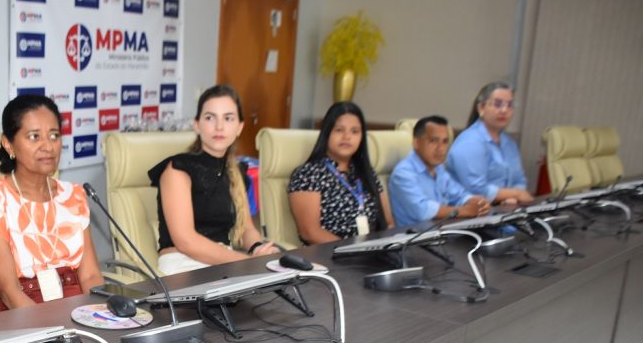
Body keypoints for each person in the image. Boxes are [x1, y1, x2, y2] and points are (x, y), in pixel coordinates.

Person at [0, 94, 104, 312]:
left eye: (54, 135)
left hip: (77, 309)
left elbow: (90, 276)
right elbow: (10, 293)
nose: (48, 146)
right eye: (34, 137)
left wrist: (100, 318)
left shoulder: (74, 195)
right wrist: (57, 330)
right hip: (22, 315)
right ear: (8, 144)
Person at [147, 84, 277, 274]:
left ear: (239, 127)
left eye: (228, 118)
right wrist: (246, 262)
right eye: (210, 117)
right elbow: (186, 242)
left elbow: (246, 228)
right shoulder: (177, 169)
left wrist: (258, 248)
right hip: (183, 265)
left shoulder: (236, 172)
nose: (219, 126)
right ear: (197, 125)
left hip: (225, 263)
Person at [287, 102, 393, 244]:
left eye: (354, 131)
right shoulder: (308, 174)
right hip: (330, 253)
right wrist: (355, 250)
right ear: (327, 133)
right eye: (339, 130)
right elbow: (309, 232)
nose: (347, 136)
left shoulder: (366, 172)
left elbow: (388, 222)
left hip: (372, 250)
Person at [389, 116, 491, 227]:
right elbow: (423, 210)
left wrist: (478, 203)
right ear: (416, 143)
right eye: (433, 141)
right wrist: (466, 211)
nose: (440, 148)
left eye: (445, 141)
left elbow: (459, 195)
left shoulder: (439, 169)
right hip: (416, 236)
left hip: (445, 231)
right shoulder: (403, 173)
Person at [446, 82, 535, 205]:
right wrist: (515, 194)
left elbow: (520, 179)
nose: (504, 110)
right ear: (481, 108)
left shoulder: (509, 143)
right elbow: (477, 189)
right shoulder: (470, 142)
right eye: (497, 104)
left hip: (504, 209)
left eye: (509, 105)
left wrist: (512, 197)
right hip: (469, 211)